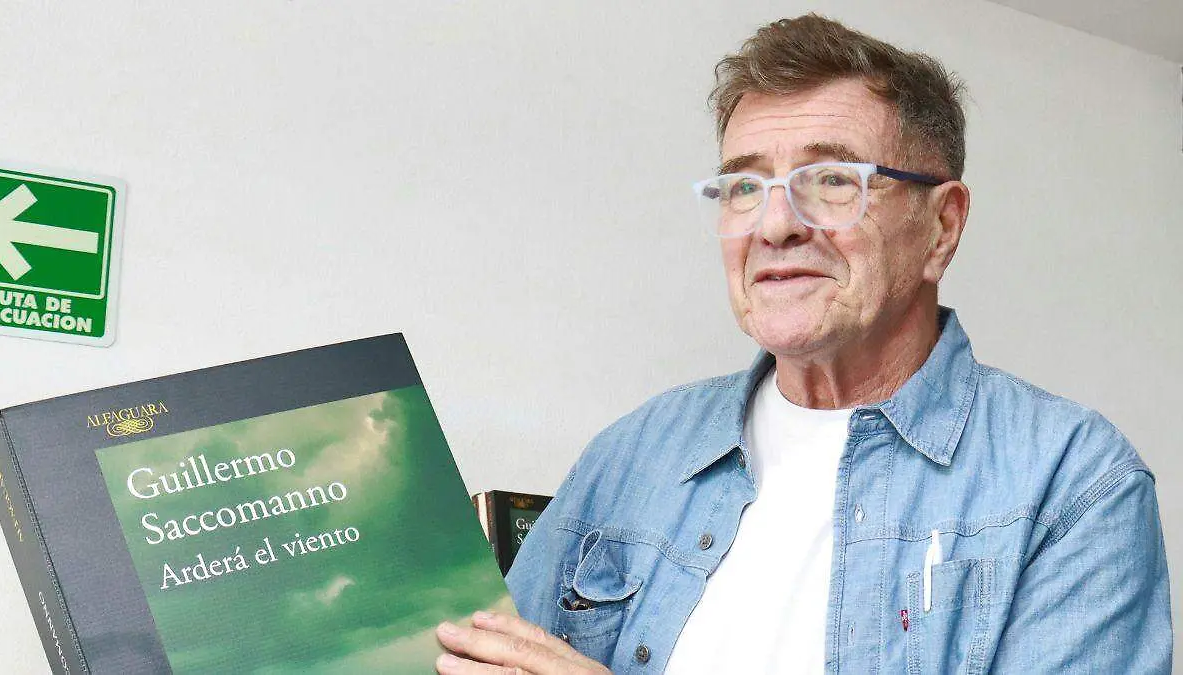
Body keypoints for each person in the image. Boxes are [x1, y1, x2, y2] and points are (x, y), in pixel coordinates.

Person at [434, 13, 1172, 675]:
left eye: (831, 180)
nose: (775, 224)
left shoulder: (1073, 484)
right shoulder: (627, 457)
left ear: (941, 227)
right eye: (743, 187)